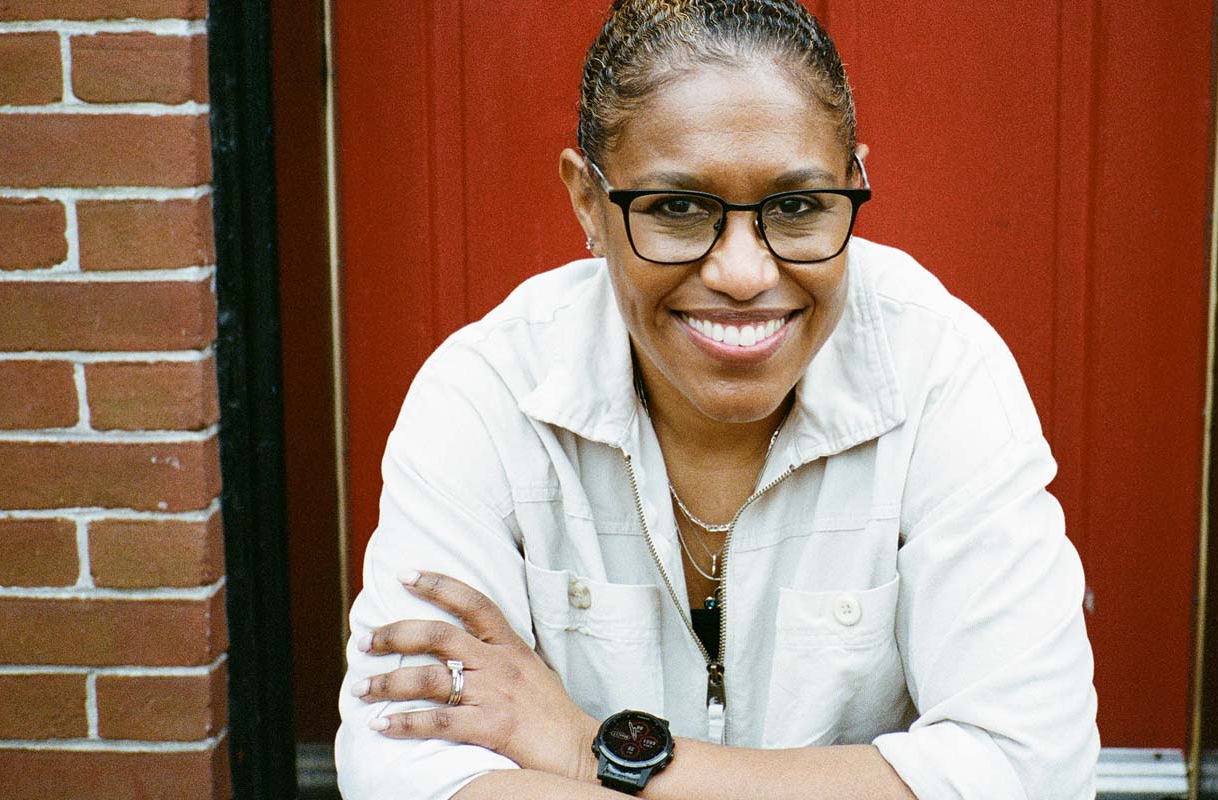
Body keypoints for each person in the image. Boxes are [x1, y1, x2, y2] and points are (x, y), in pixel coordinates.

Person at [335, 1, 1099, 797]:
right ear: (588, 203)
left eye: (798, 207)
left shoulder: (939, 373)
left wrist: (584, 750)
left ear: (855, 184)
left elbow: (1029, 768)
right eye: (676, 208)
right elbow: (405, 768)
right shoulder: (489, 395)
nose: (744, 273)